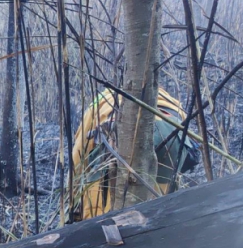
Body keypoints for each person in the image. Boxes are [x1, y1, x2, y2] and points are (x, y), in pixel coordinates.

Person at [70, 87, 198, 220]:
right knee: (161, 203)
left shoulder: (95, 107)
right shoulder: (165, 95)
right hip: (172, 131)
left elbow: (78, 159)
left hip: (120, 133)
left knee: (100, 211)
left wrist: (72, 202)